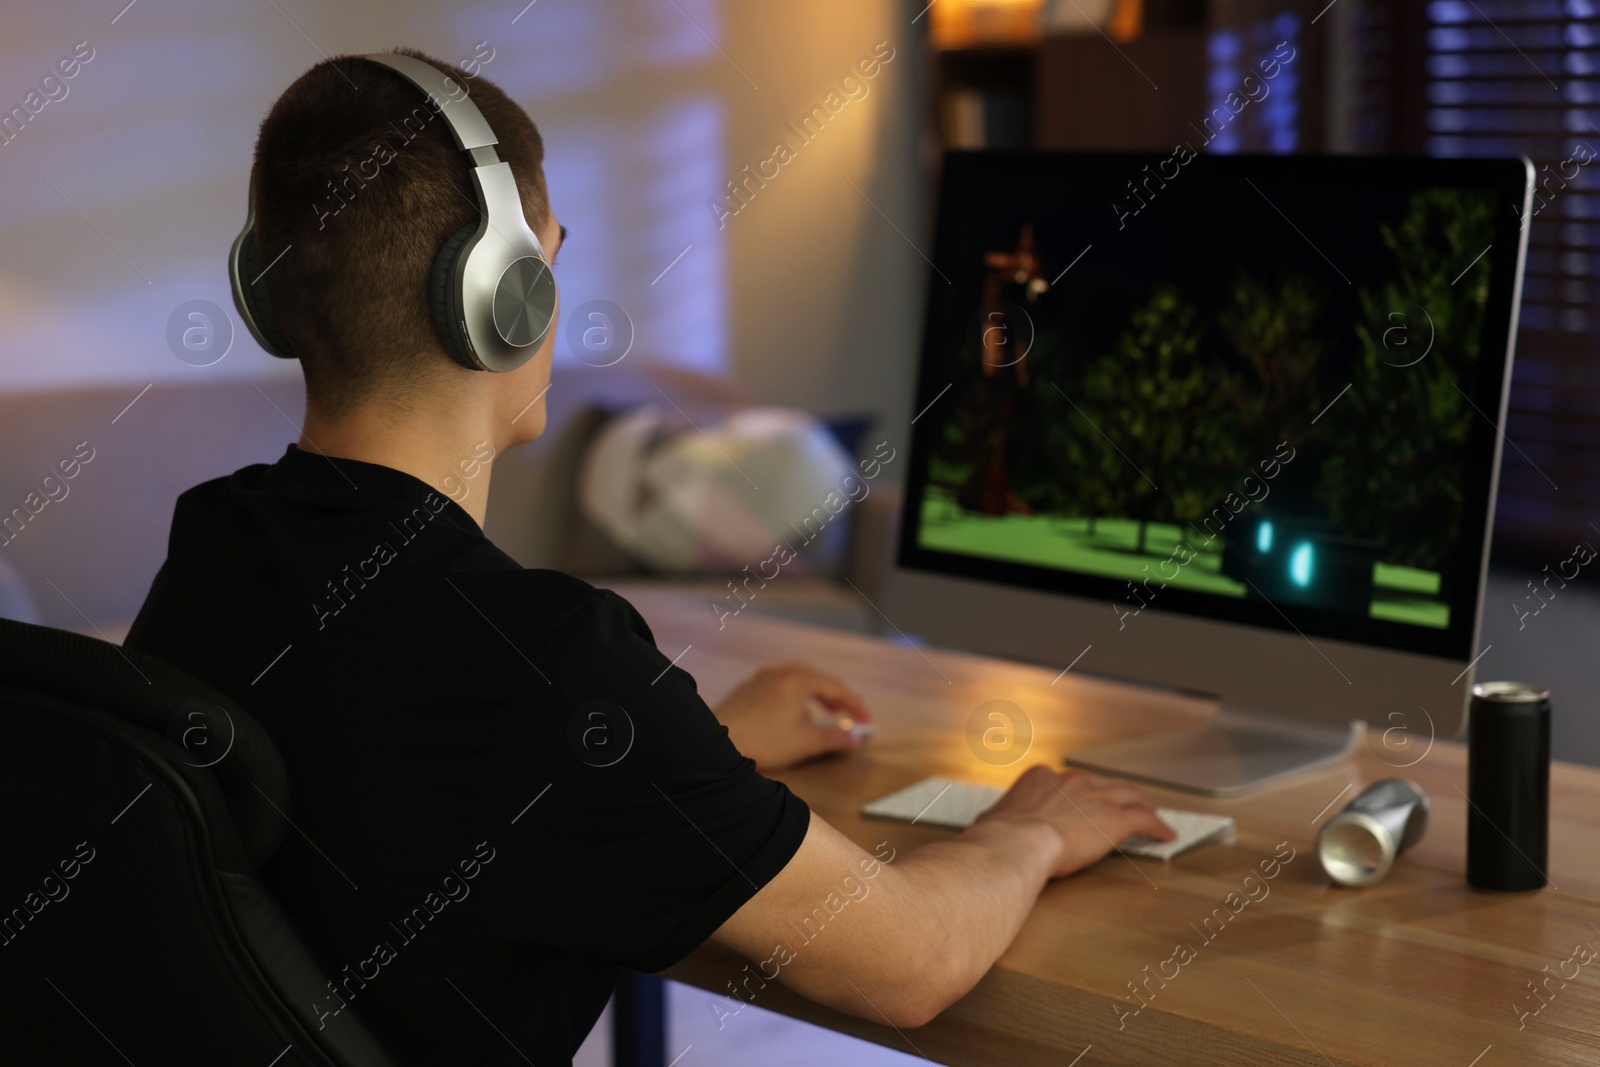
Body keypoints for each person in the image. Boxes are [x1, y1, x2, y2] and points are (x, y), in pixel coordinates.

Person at [125, 47, 1173, 1067]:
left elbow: (398, 784)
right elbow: (913, 962)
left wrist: (686, 747)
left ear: (265, 291)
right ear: (504, 298)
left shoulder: (212, 546)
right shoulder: (544, 659)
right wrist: (1026, 829)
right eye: (550, 257)